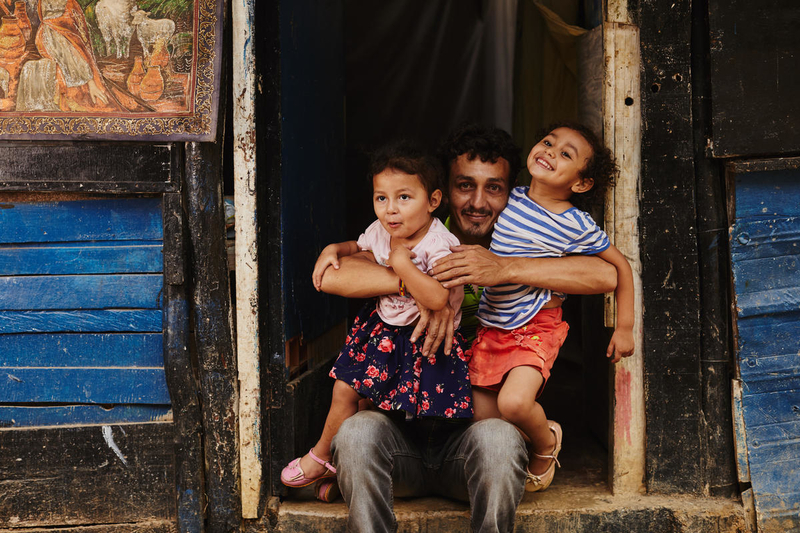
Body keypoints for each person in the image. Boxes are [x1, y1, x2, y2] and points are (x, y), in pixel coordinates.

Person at [317, 123, 617, 532]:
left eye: (494, 188)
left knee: (499, 438)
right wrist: (423, 287)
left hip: (470, 445)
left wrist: (504, 267)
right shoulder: (415, 234)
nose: (477, 202)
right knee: (355, 432)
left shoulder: (530, 243)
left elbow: (605, 275)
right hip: (399, 441)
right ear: (439, 193)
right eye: (464, 185)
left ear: (517, 192)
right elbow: (334, 277)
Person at [281, 141, 472, 490]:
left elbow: (437, 296)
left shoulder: (438, 244)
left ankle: (350, 468)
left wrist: (400, 264)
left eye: (404, 197)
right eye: (381, 198)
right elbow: (361, 247)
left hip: (422, 342)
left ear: (433, 201)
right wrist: (334, 249)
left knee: (387, 412)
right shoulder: (383, 230)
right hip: (385, 333)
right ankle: (324, 456)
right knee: (346, 391)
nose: (390, 210)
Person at [468, 122, 634, 495]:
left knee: (513, 403)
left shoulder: (575, 223)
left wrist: (623, 327)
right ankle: (525, 447)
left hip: (534, 325)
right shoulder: (512, 197)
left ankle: (546, 445)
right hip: (493, 323)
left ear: (581, 183)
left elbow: (620, 267)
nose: (549, 151)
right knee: (484, 420)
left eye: (565, 154)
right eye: (547, 142)